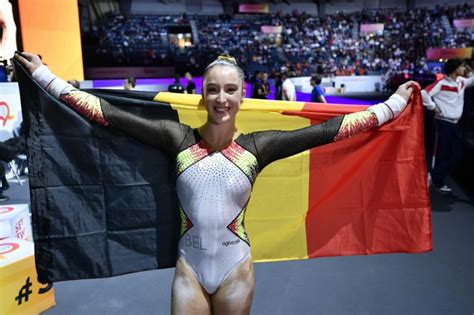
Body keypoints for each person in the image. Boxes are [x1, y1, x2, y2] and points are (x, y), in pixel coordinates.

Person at [16, 52, 417, 315]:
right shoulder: (177, 139)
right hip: (189, 269)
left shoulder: (260, 147)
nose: (221, 98)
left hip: (235, 269)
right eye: (213, 90)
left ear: (241, 96)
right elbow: (106, 114)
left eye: (229, 90)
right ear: (202, 95)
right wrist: (45, 76)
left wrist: (394, 104)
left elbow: (332, 130)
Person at [421, 59, 473, 192]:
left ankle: (433, 176)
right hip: (442, 123)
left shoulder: (461, 82)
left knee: (456, 156)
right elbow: (423, 93)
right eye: (461, 67)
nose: (463, 69)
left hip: (455, 125)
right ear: (455, 69)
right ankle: (437, 182)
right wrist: (433, 107)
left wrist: (468, 69)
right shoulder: (441, 83)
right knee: (442, 154)